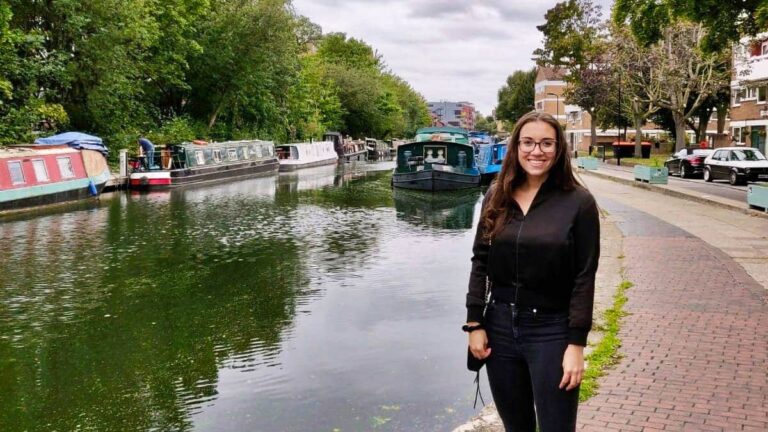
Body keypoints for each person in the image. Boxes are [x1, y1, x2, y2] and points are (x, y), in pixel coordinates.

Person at [464, 111, 600, 431]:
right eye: (527, 142)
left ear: (559, 149)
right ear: (516, 147)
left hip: (551, 331)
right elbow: (480, 261)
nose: (536, 151)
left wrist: (576, 345)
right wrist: (474, 324)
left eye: (546, 143)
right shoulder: (496, 195)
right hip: (499, 327)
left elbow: (584, 276)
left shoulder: (579, 203)